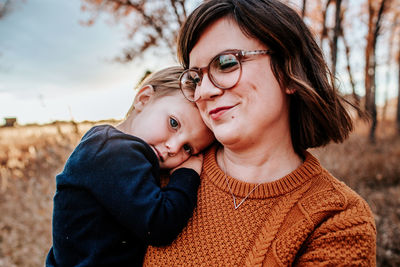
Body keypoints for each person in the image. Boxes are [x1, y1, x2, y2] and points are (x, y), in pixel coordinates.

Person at [143, 0, 377, 266]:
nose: (204, 92)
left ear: (289, 72)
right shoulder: (165, 168)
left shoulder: (338, 219)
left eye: (227, 63)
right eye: (195, 78)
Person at [45, 66, 215, 267]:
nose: (173, 147)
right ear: (143, 99)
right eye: (173, 123)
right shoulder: (113, 153)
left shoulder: (106, 146)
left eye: (188, 148)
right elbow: (160, 225)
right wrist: (187, 174)